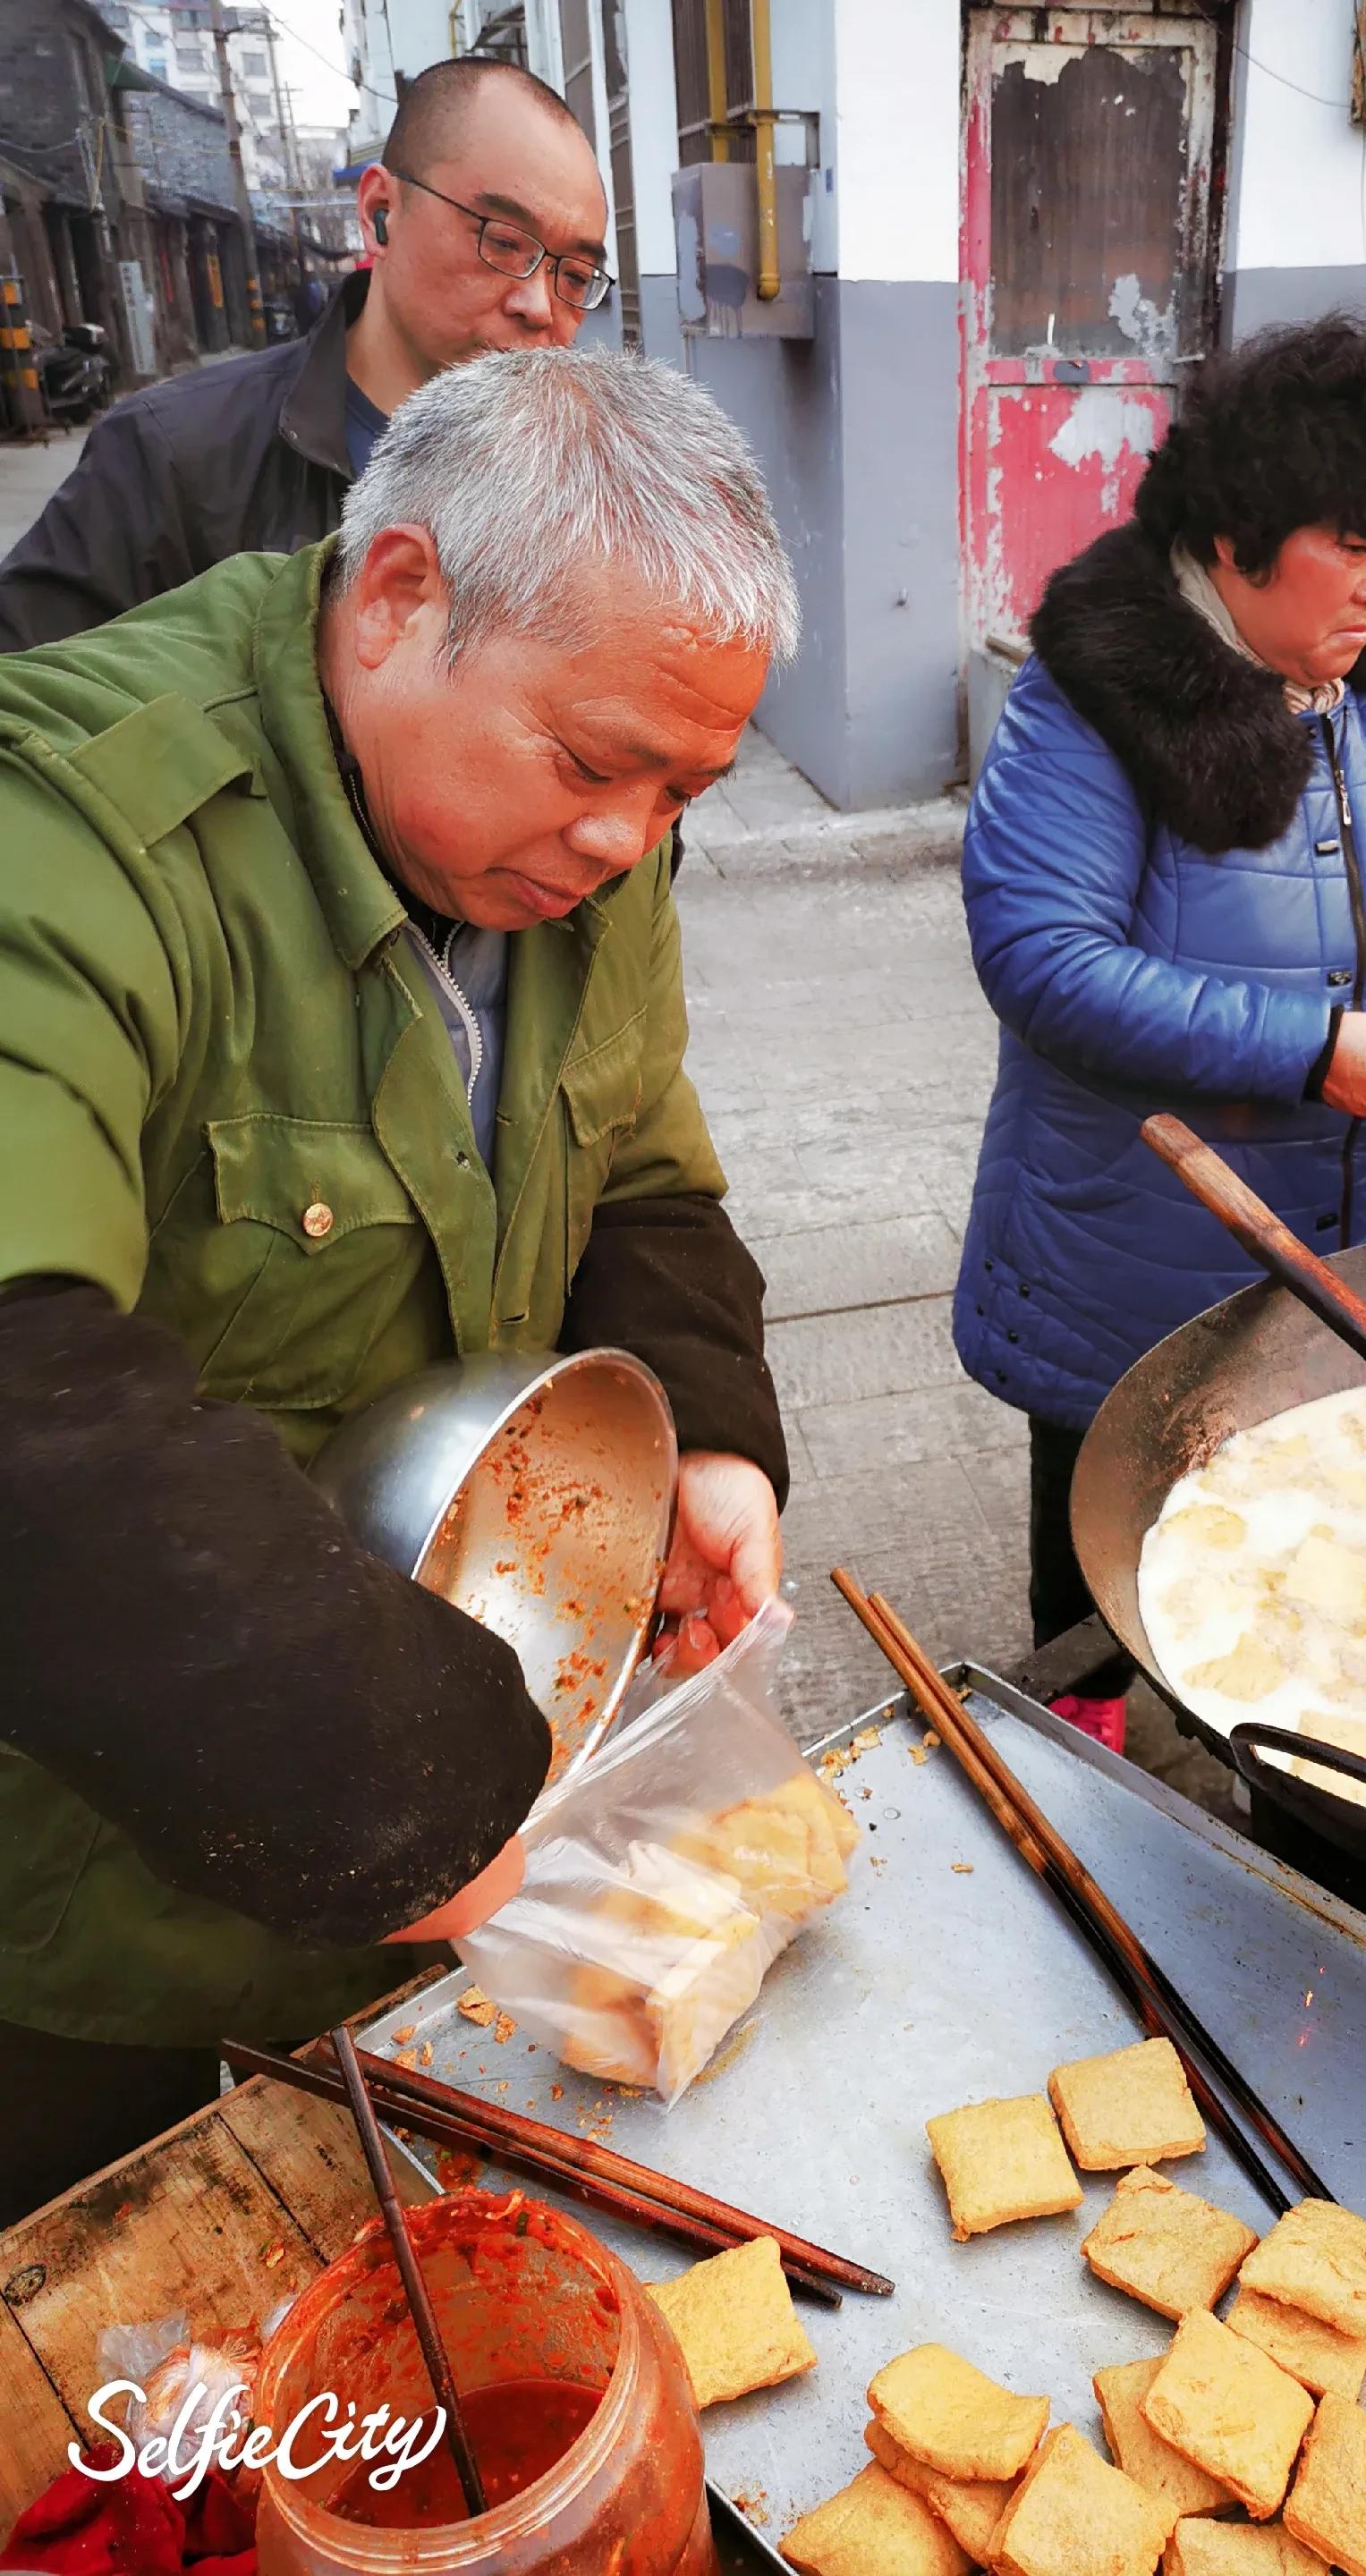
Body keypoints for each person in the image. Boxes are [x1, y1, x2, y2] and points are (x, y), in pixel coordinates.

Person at [0, 346, 798, 2221]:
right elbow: (25, 1396)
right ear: (399, 596)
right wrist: (385, 1785)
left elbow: (641, 1162)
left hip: (430, 1803)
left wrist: (708, 1435)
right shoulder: (70, 837)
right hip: (80, 1893)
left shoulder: (594, 850)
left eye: (686, 790)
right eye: (591, 764)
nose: (627, 840)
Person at [953, 316, 1366, 1752]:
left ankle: (1254, 1716)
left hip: (1324, 1216)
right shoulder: (1093, 699)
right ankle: (1077, 1735)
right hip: (1125, 1231)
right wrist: (1316, 1049)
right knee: (1103, 1512)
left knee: (1268, 1490)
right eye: (1353, 546)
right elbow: (1044, 960)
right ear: (1238, 535)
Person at [0, 56, 610, 649]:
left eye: (576, 276)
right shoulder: (170, 461)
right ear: (380, 214)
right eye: (503, 242)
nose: (540, 305)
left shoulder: (593, 480)